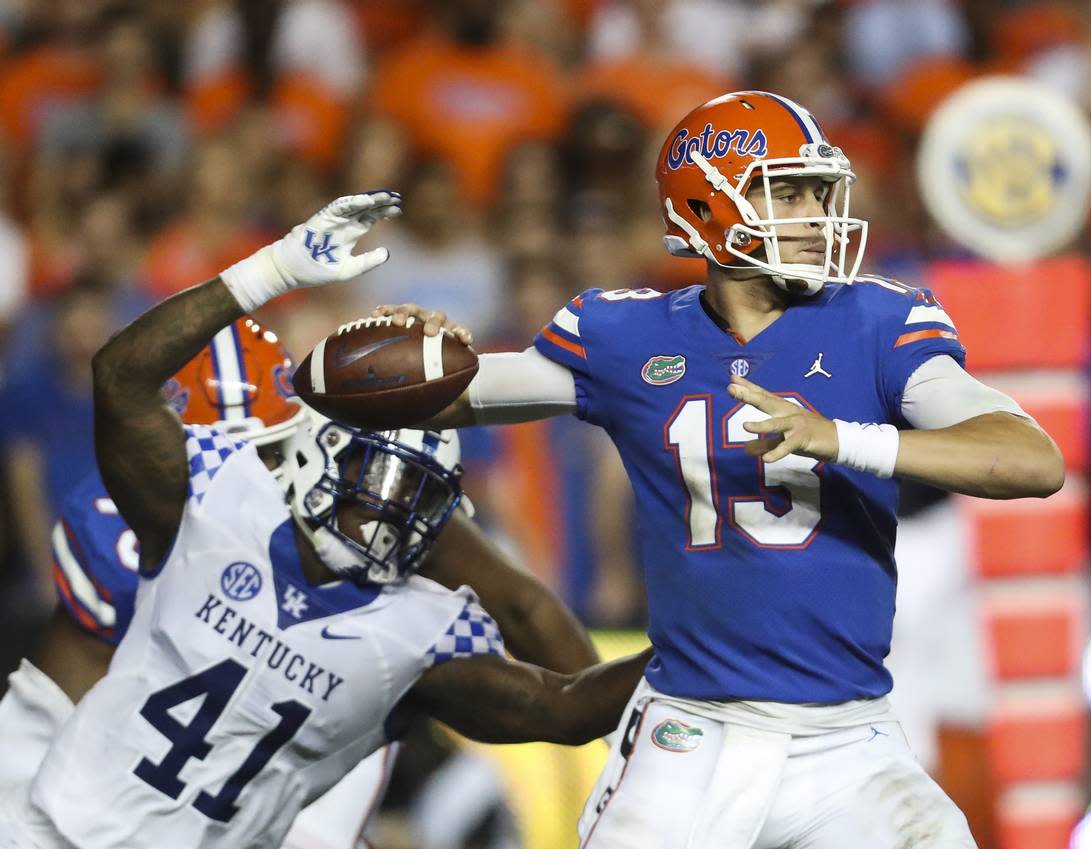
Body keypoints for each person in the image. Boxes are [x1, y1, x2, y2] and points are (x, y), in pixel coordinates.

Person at [375, 91, 1066, 848]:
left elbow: (1030, 459)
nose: (816, 212)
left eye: (817, 190)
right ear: (711, 204)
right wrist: (418, 357)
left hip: (849, 738)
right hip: (689, 731)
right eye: (789, 191)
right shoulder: (624, 332)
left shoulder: (877, 320)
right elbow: (456, 396)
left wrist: (845, 438)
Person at [0, 192, 651, 849]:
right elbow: (121, 382)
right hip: (59, 810)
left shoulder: (400, 615)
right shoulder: (191, 505)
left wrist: (396, 380)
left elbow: (545, 665)